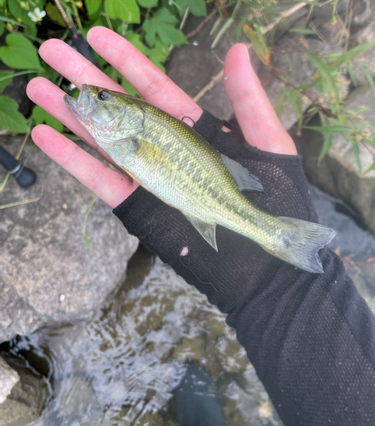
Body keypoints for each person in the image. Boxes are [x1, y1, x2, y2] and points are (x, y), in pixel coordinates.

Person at [27, 27, 375, 426]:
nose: (93, 96)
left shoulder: (135, 134)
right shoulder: (129, 134)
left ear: (126, 116)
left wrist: (293, 295)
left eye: (103, 96)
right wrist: (298, 296)